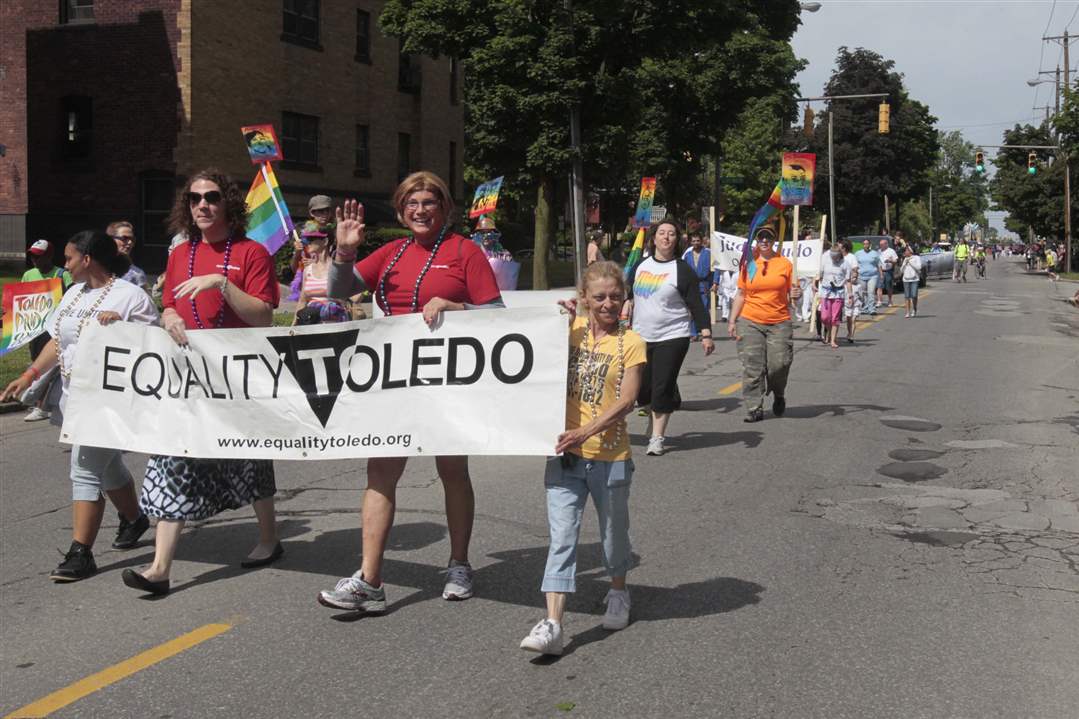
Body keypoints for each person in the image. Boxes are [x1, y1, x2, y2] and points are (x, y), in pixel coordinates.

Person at [319, 171, 503, 613]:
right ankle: (370, 579)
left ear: (444, 208)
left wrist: (456, 308)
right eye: (411, 204)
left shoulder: (465, 251)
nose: (420, 211)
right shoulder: (393, 251)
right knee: (380, 473)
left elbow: (497, 314)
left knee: (452, 472)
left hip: (447, 381)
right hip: (394, 380)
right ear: (401, 211)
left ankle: (459, 564)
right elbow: (337, 291)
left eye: (429, 202)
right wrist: (344, 251)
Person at [122, 168, 283, 597]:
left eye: (211, 197)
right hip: (188, 377)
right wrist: (169, 316)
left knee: (250, 459)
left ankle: (268, 538)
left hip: (237, 378)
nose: (203, 206)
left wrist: (222, 284)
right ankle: (159, 568)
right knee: (175, 456)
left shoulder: (251, 253)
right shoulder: (180, 255)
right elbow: (170, 305)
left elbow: (264, 315)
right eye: (194, 199)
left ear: (228, 202)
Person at [1, 231, 157, 581]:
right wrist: (29, 375)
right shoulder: (74, 294)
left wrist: (120, 328)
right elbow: (58, 340)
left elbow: (153, 346)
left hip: (111, 400)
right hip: (76, 395)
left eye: (70, 259)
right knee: (106, 463)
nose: (66, 265)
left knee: (85, 466)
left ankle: (80, 553)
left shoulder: (130, 297)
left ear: (87, 259)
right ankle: (135, 519)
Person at [519, 261, 645, 656]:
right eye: (600, 296)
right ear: (584, 298)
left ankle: (619, 592)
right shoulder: (566, 332)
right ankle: (553, 624)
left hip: (610, 458)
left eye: (616, 296)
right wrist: (553, 320)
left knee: (612, 538)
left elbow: (628, 400)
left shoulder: (632, 342)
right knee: (562, 540)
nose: (609, 304)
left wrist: (585, 431)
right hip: (565, 458)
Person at [624, 219, 713, 457]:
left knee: (661, 387)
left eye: (671, 234)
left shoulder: (682, 270)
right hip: (640, 336)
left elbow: (696, 304)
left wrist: (705, 333)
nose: (666, 237)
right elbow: (628, 292)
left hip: (673, 336)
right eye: (662, 233)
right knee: (641, 391)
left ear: (677, 240)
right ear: (654, 238)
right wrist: (625, 305)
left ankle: (657, 437)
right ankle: (656, 409)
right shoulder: (641, 266)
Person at [728, 227, 802, 421]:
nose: (764, 240)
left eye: (768, 236)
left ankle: (778, 393)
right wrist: (732, 319)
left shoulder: (785, 264)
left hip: (779, 322)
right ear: (756, 240)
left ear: (774, 240)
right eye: (760, 236)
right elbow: (741, 294)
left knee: (779, 365)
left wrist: (796, 295)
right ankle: (754, 408)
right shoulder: (749, 264)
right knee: (752, 366)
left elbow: (794, 294)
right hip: (750, 320)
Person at [19, 239, 73, 421]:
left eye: (38, 256)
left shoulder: (62, 275)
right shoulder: (29, 275)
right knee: (36, 361)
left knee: (52, 366)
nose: (34, 259)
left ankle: (41, 405)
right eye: (32, 255)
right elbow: (21, 300)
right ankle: (40, 402)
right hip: (34, 327)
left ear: (49, 255)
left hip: (53, 327)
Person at [294, 220, 349, 324]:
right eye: (306, 239)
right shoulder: (308, 269)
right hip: (311, 325)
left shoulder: (338, 268)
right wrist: (293, 327)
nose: (307, 242)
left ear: (325, 242)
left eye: (311, 239)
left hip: (335, 326)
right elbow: (302, 301)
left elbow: (348, 297)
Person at [817, 243, 852, 348]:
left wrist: (850, 295)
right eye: (831, 256)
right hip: (826, 293)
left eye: (835, 256)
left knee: (835, 318)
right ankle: (829, 331)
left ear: (839, 255)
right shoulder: (826, 262)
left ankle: (833, 340)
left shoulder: (845, 264)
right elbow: (820, 276)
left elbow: (848, 280)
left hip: (838, 293)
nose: (833, 258)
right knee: (824, 317)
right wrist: (817, 286)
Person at [681, 230, 712, 340]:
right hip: (691, 284)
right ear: (690, 242)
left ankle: (706, 331)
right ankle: (693, 333)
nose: (696, 243)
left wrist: (716, 282)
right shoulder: (688, 255)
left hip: (704, 284)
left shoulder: (708, 253)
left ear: (702, 241)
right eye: (693, 241)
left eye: (698, 240)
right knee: (692, 308)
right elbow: (683, 270)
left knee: (703, 309)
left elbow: (715, 268)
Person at [107, 221, 150, 294]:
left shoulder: (137, 274)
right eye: (124, 238)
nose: (130, 242)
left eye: (132, 239)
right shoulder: (95, 268)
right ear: (110, 239)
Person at [854, 239, 882, 315]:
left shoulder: (874, 253)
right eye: (864, 244)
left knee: (871, 292)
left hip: (872, 276)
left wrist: (881, 274)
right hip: (861, 276)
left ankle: (872, 309)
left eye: (867, 244)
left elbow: (879, 264)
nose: (866, 245)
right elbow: (855, 265)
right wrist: (854, 274)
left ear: (870, 245)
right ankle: (864, 308)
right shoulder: (858, 253)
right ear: (863, 245)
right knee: (863, 293)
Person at [840, 239, 860, 343]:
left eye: (840, 246)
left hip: (852, 287)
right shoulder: (838, 258)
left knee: (854, 315)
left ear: (844, 248)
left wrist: (854, 276)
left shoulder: (851, 257)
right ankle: (849, 332)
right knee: (848, 315)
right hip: (842, 287)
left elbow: (855, 270)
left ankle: (851, 334)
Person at [900, 245, 923, 318]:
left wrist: (910, 262)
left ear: (910, 251)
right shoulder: (905, 259)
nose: (905, 252)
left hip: (914, 279)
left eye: (906, 250)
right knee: (907, 296)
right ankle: (907, 312)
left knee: (914, 295)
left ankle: (914, 309)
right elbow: (901, 270)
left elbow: (919, 267)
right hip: (906, 279)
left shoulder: (916, 258)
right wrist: (904, 264)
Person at [878, 238, 899, 307]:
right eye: (880, 244)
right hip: (880, 270)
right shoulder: (878, 251)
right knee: (879, 286)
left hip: (888, 271)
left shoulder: (891, 251)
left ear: (886, 244)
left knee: (889, 287)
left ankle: (890, 300)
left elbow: (896, 261)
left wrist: (890, 261)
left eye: (882, 244)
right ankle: (879, 301)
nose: (880, 246)